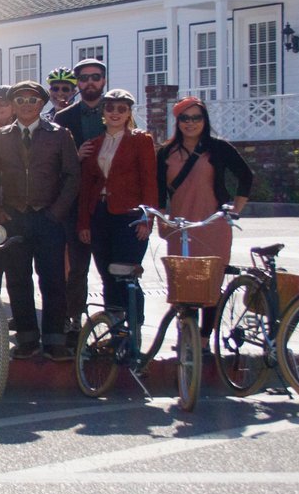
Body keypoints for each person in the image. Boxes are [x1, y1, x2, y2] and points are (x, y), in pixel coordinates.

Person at [0, 81, 80, 360]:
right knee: (18, 280)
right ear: (14, 105)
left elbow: (73, 177)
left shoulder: (60, 135)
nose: (27, 105)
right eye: (21, 100)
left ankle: (54, 340)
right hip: (14, 218)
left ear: (42, 103)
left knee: (52, 281)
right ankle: (26, 339)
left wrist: (56, 213)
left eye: (32, 100)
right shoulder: (1, 137)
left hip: (48, 218)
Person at [157, 96, 254, 343]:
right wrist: (160, 220)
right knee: (183, 285)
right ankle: (185, 335)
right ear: (177, 122)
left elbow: (246, 175)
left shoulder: (218, 148)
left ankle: (204, 339)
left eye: (196, 118)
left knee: (210, 285)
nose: (191, 123)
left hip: (213, 225)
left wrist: (236, 209)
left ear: (205, 120)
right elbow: (158, 191)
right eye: (185, 118)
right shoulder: (166, 152)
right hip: (181, 227)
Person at [76, 89, 157, 328]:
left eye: (122, 109)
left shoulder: (141, 140)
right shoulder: (94, 144)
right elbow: (86, 187)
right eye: (110, 108)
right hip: (99, 215)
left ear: (129, 112)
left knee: (127, 276)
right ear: (103, 111)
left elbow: (149, 181)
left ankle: (134, 329)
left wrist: (146, 219)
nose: (115, 113)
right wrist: (83, 222)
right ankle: (115, 331)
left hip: (129, 217)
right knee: (107, 276)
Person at [55, 58, 107, 335]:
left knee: (112, 268)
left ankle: (117, 323)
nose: (90, 82)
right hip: (75, 204)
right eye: (84, 78)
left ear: (104, 80)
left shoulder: (116, 111)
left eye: (95, 77)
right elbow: (53, 165)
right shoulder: (63, 119)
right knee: (77, 268)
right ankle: (73, 318)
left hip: (110, 203)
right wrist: (75, 158)